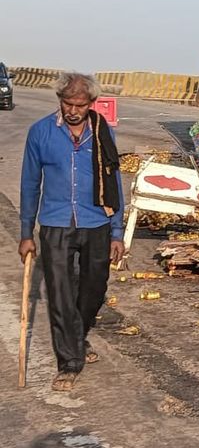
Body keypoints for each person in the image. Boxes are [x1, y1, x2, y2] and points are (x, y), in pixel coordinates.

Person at [19, 73, 124, 391]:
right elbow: (29, 183)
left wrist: (117, 231)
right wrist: (26, 231)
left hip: (97, 223)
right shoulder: (40, 132)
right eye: (68, 103)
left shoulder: (102, 132)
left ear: (92, 103)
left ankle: (77, 336)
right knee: (61, 294)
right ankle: (69, 362)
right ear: (60, 100)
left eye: (80, 104)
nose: (73, 110)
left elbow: (114, 182)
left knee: (93, 289)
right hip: (55, 224)